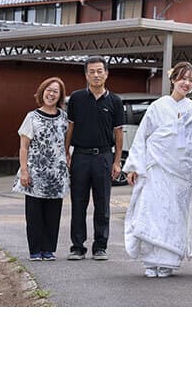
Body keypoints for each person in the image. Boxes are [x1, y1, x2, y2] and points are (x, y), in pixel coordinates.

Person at [123, 62, 192, 278]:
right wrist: (134, 166)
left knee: (175, 214)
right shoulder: (158, 106)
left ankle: (168, 261)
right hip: (157, 167)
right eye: (182, 78)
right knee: (153, 211)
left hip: (182, 171)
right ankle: (151, 262)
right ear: (173, 80)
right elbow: (142, 136)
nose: (186, 83)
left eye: (191, 80)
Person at [64, 56, 125, 261]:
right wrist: (66, 152)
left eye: (100, 71)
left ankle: (100, 246)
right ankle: (77, 247)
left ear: (106, 73)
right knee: (78, 203)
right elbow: (70, 127)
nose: (96, 75)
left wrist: (117, 161)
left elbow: (118, 133)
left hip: (104, 157)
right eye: (92, 71)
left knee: (102, 204)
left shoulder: (115, 101)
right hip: (80, 156)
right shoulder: (76, 98)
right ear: (86, 75)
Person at [13, 78, 69, 261]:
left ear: (60, 96)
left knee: (53, 214)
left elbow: (66, 144)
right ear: (42, 91)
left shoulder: (64, 118)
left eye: (55, 91)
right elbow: (24, 147)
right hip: (35, 172)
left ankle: (48, 249)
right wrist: (24, 170)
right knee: (35, 214)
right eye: (48, 90)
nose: (51, 94)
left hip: (56, 173)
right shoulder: (32, 116)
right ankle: (35, 250)